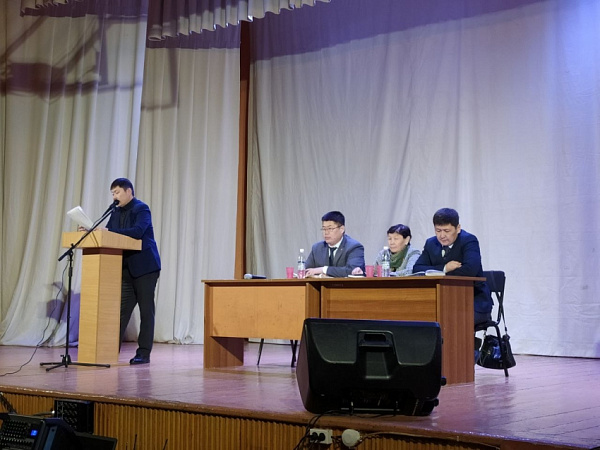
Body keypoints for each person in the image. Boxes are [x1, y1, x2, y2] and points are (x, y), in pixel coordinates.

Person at [106, 178, 161, 365]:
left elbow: (137, 232)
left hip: (145, 268)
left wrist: (108, 232)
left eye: (117, 192)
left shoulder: (141, 208)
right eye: (112, 193)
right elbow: (109, 232)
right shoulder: (115, 211)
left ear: (129, 191)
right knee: (121, 312)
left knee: (146, 311)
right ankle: (109, 351)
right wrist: (94, 231)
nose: (114, 196)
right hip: (126, 269)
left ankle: (143, 353)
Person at [412, 208, 493, 326]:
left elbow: (470, 270)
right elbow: (417, 269)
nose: (442, 235)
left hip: (473, 301)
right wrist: (444, 268)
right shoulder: (431, 243)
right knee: (420, 317)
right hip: (443, 301)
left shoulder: (469, 240)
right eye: (438, 231)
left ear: (458, 228)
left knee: (451, 320)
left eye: (447, 231)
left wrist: (437, 274)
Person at [305, 211, 365, 277]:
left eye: (330, 229)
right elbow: (307, 271)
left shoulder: (354, 247)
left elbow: (352, 271)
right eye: (324, 229)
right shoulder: (317, 248)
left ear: (342, 229)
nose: (326, 233)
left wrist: (323, 269)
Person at [353, 224, 421, 277]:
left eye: (396, 239)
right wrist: (362, 272)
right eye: (389, 239)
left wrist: (388, 274)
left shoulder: (413, 253)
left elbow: (410, 271)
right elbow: (374, 272)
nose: (392, 242)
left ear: (407, 240)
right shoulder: (383, 253)